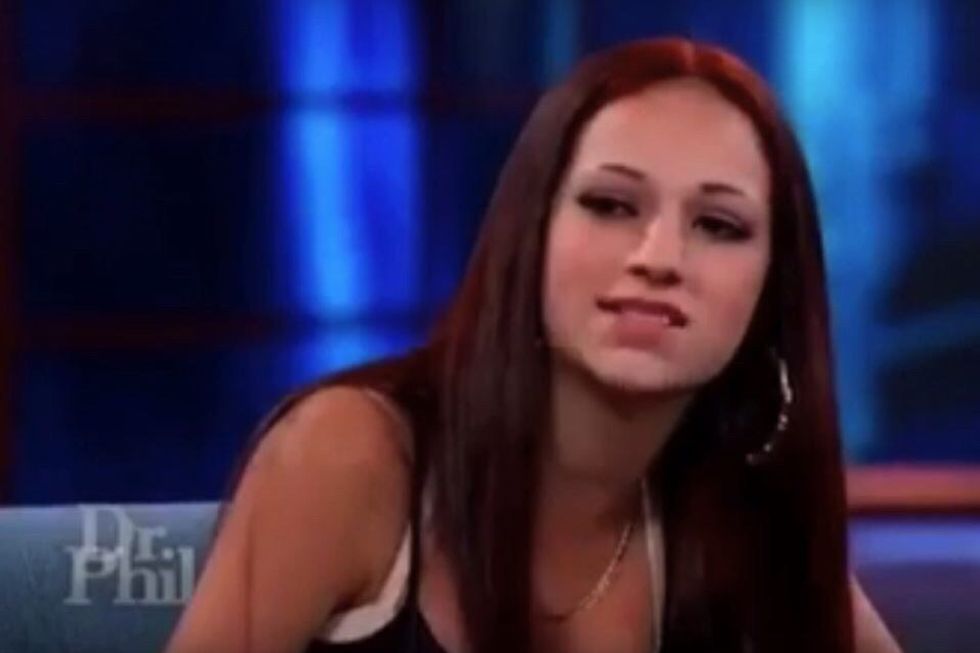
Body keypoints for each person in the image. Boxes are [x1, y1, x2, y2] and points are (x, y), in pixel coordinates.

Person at [165, 38, 903, 653]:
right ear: (533, 235)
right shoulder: (351, 456)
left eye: (718, 225)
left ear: (773, 288)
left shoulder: (737, 514)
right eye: (610, 205)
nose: (659, 257)